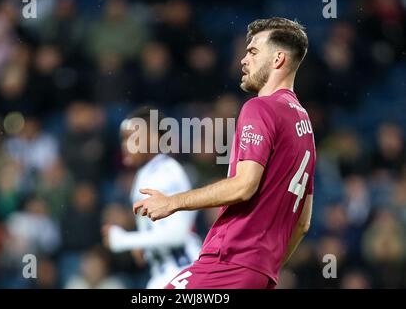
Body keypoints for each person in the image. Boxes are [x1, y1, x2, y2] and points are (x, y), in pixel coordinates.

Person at [133, 17, 316, 289]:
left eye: (253, 51)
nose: (244, 60)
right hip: (261, 272)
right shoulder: (304, 125)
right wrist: (263, 269)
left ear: (278, 59)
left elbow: (244, 186)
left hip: (228, 259)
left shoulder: (260, 108)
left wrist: (173, 202)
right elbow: (302, 223)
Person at [102, 106, 201, 289]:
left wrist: (124, 240)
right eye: (123, 139)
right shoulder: (145, 174)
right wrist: (144, 247)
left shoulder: (168, 171)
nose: (125, 145)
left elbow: (177, 233)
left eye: (132, 138)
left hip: (184, 272)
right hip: (165, 274)